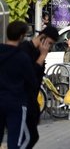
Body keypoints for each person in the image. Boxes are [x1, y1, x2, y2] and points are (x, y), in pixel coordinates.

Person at [18, 24, 56, 148]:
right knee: (27, 137)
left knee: (32, 137)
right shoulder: (25, 49)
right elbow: (29, 75)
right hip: (22, 102)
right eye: (49, 43)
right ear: (42, 38)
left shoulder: (39, 52)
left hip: (31, 101)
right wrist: (42, 56)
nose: (49, 48)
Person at [1, 21, 35, 149]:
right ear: (21, 36)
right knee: (16, 140)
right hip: (16, 102)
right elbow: (31, 81)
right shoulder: (22, 57)